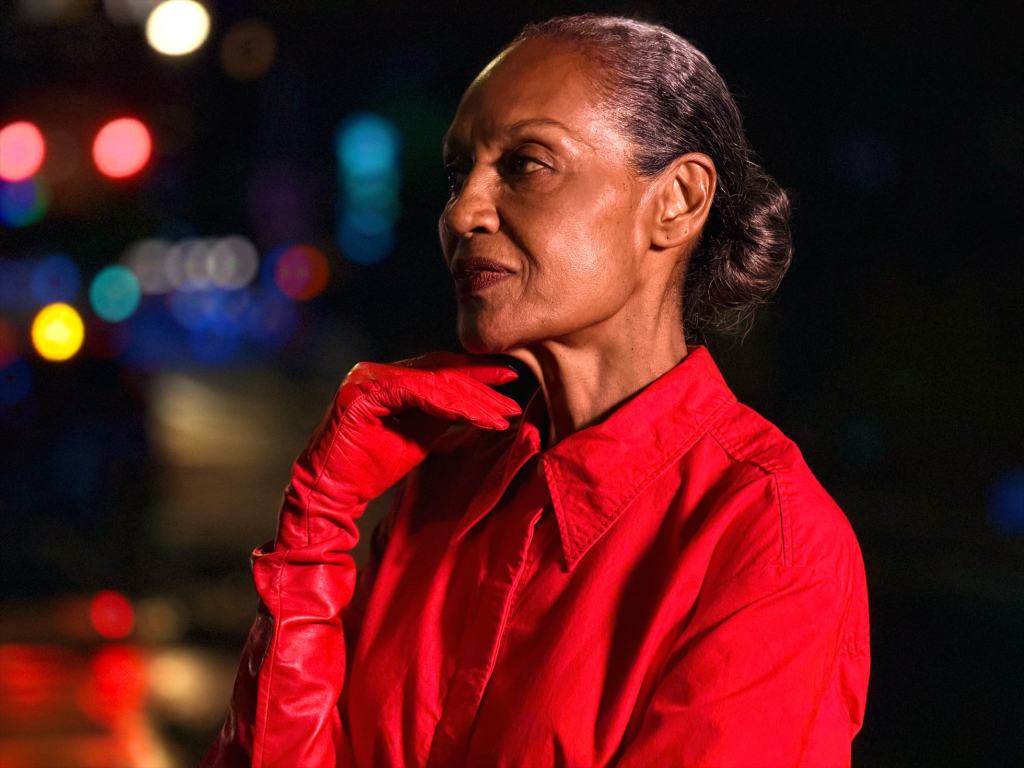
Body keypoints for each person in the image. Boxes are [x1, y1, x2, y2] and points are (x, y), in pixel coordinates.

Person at [202, 12, 870, 768]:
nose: (461, 213)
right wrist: (317, 523)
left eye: (526, 164)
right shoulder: (446, 491)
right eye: (460, 174)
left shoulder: (766, 545)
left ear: (678, 199)